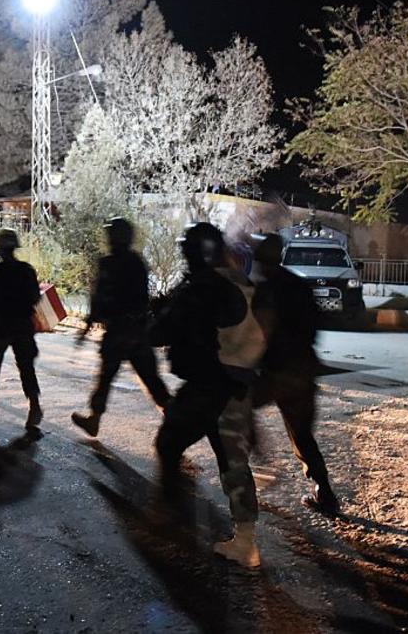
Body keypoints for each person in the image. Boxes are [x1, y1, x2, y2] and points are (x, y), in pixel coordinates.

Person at [149, 222, 262, 567]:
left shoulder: (201, 288)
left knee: (168, 444)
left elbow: (162, 331)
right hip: (237, 385)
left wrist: (156, 315)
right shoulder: (237, 281)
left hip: (209, 386)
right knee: (232, 461)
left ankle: (175, 517)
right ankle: (246, 542)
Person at [251, 233, 340, 516]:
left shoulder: (263, 291)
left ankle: (260, 466)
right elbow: (316, 326)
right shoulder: (300, 286)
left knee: (234, 406)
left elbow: (259, 334)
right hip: (303, 370)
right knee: (302, 435)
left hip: (275, 372)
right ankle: (324, 493)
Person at [71, 217, 172, 438]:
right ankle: (174, 419)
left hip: (119, 332)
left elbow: (98, 299)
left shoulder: (109, 263)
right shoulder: (137, 262)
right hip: (137, 332)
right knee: (151, 380)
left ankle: (94, 419)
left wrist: (87, 328)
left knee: (106, 377)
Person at [0, 228, 43, 434]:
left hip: (0, 324)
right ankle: (34, 407)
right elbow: (35, 297)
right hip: (22, 325)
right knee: (26, 367)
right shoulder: (27, 270)